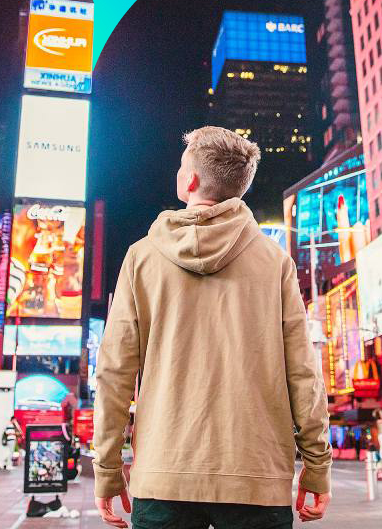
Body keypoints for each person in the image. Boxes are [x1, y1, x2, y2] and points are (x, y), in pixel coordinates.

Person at [93, 127, 332, 528]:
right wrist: (317, 464)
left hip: (163, 477)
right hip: (257, 479)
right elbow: (304, 373)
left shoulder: (142, 258)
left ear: (190, 181)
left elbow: (114, 372)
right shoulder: (275, 262)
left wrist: (107, 467)